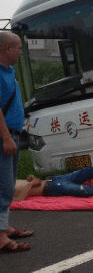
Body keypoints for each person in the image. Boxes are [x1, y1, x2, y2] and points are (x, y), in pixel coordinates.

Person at [0, 32, 31, 254]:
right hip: (4, 137)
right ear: (8, 48)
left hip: (13, 134)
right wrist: (7, 138)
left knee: (8, 185)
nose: (21, 51)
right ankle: (1, 237)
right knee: (3, 187)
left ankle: (4, 227)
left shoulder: (9, 71)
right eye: (19, 47)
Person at [12, 166, 93, 201]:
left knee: (90, 170)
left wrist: (31, 179)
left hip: (54, 179)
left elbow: (33, 182)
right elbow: (17, 200)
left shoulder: (7, 180)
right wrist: (31, 184)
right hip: (51, 188)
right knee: (85, 191)